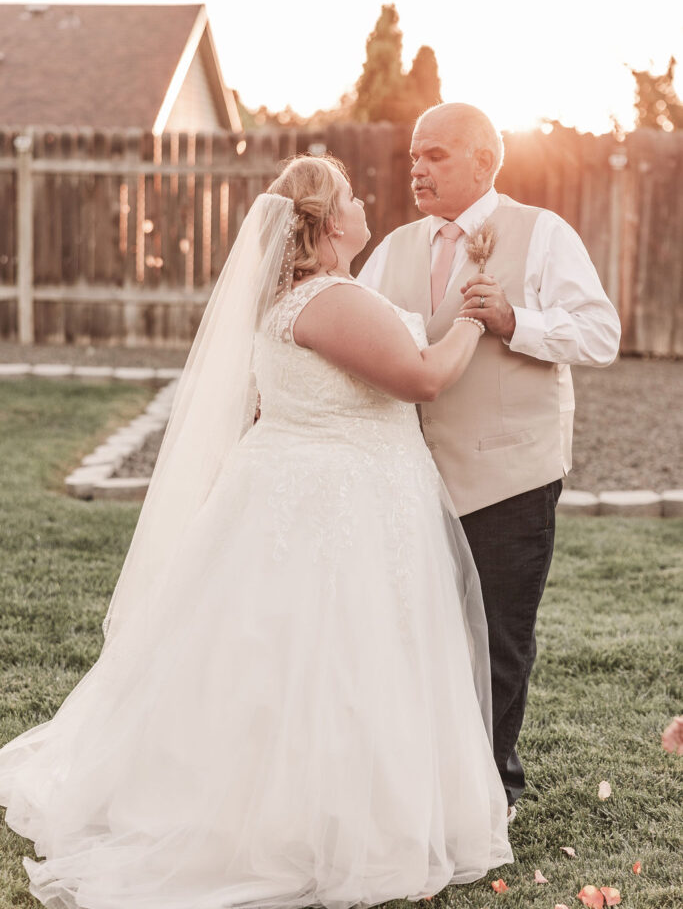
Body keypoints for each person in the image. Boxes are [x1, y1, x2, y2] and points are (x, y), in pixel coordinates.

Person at [0, 154, 512, 909]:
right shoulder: (331, 297)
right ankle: (305, 822)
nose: (363, 199)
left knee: (293, 656)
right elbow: (424, 377)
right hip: (338, 499)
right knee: (332, 658)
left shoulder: (292, 299)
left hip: (307, 488)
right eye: (350, 193)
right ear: (328, 223)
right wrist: (472, 318)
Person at [358, 102, 621, 816]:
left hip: (510, 472)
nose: (417, 167)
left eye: (435, 155)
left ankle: (488, 789)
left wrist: (515, 322)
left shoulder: (543, 234)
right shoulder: (393, 248)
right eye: (414, 155)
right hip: (410, 473)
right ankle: (421, 777)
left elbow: (600, 335)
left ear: (483, 162)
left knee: (497, 636)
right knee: (415, 631)